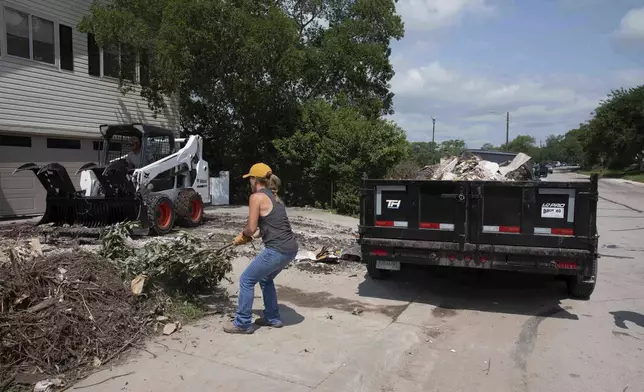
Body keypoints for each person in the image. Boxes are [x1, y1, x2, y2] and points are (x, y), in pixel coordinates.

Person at [223, 163, 298, 334]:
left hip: (277, 250)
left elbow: (251, 228)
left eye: (249, 178)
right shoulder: (276, 198)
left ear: (254, 179)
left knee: (247, 280)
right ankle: (272, 317)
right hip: (290, 249)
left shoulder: (256, 197)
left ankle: (242, 323)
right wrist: (251, 235)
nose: (249, 181)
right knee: (265, 279)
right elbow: (265, 228)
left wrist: (244, 235)